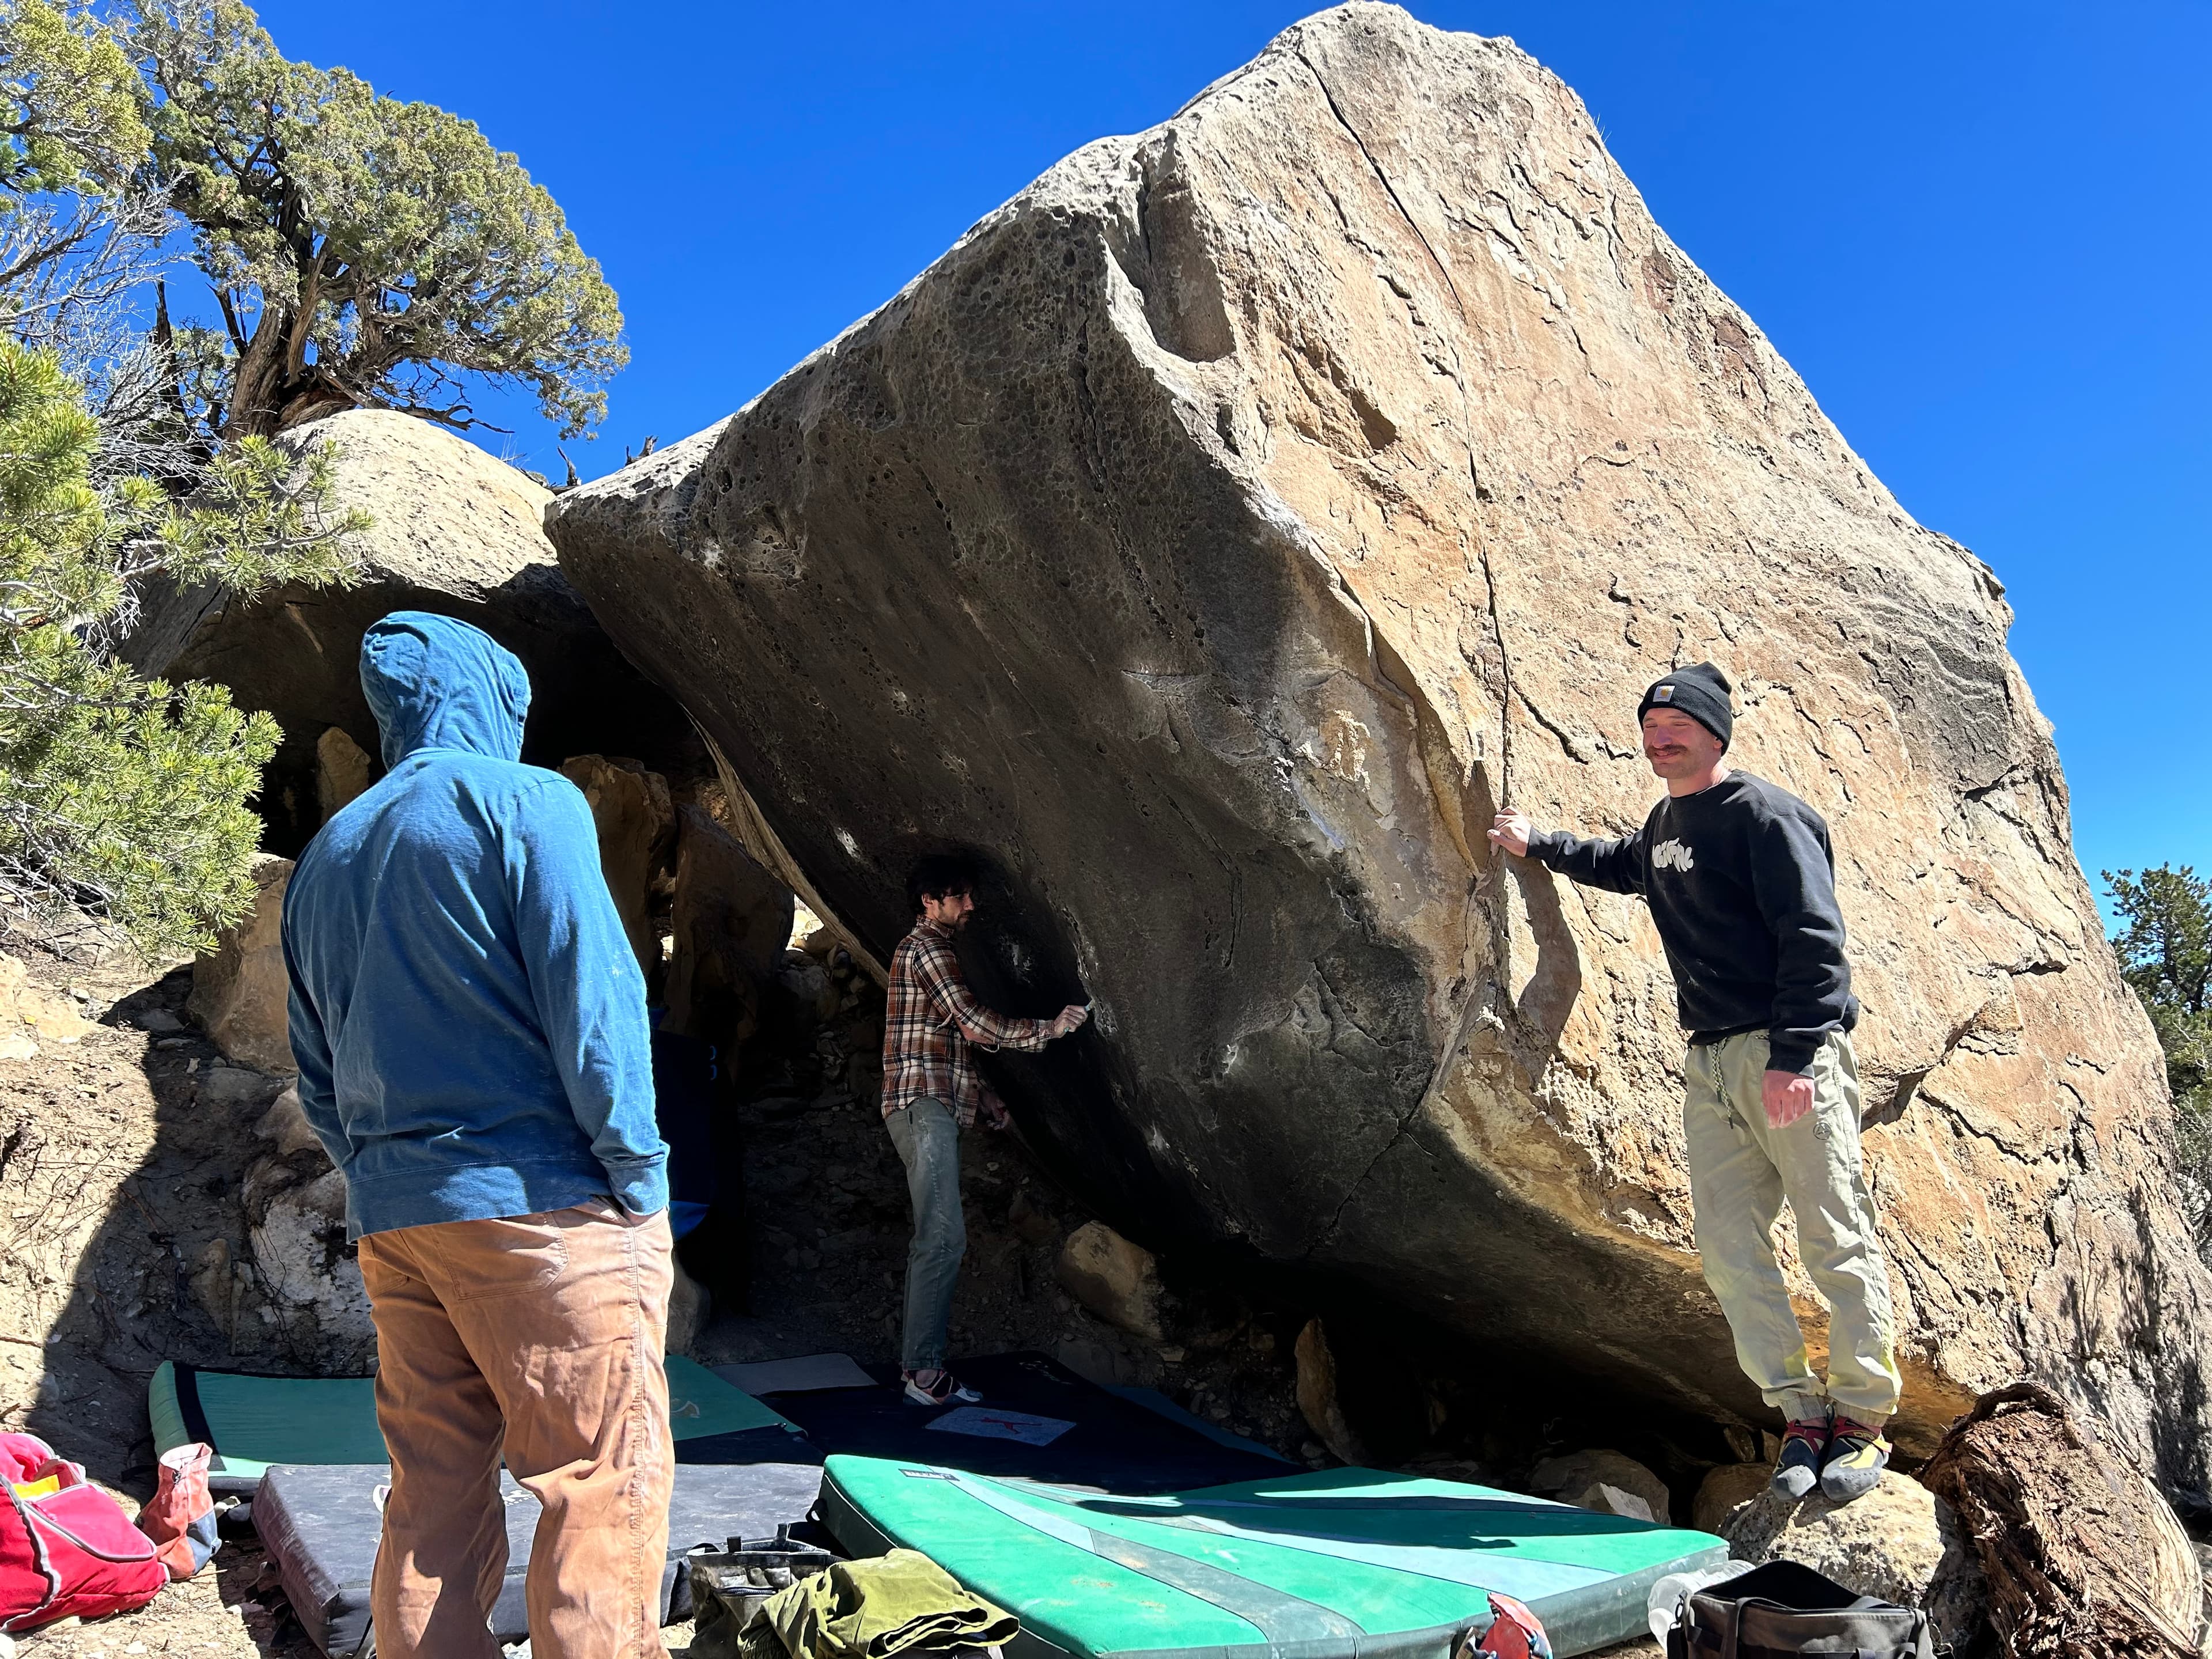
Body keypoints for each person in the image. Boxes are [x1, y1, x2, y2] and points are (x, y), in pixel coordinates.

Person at [283, 612, 673, 1659]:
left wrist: (385, 1180)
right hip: (542, 1202)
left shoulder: (329, 853)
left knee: (432, 1507)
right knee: (599, 1489)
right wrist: (638, 1173)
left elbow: (317, 1076)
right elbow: (595, 1005)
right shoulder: (527, 801)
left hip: (399, 1223)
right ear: (485, 694)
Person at [1487, 662, 1901, 1504]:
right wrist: (1539, 847)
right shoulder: (1668, 822)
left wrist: (1793, 1059)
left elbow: (1815, 944)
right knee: (1729, 1248)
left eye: (1676, 727)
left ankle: (1860, 1422)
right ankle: (1799, 1416)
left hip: (1786, 1056)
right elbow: (1626, 862)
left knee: (1834, 1234)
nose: (1660, 740)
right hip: (1709, 1060)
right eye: (1650, 730)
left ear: (1716, 734)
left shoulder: (1765, 815)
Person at [881, 854, 1088, 1406]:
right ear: (931, 901)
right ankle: (922, 1375)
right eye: (959, 896)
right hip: (921, 1106)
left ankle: (918, 1370)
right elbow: (970, 1021)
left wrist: (985, 1096)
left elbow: (945, 1040)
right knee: (942, 1236)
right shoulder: (926, 947)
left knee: (940, 1235)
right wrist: (1049, 1027)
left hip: (933, 1101)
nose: (970, 905)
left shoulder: (933, 950)